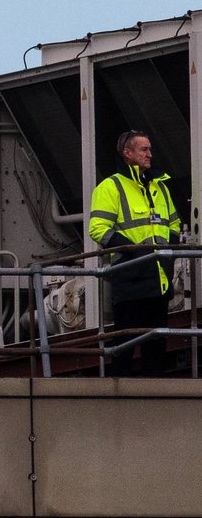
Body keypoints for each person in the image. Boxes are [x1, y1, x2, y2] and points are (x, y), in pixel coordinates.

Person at [89, 130, 181, 376]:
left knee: (156, 345)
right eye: (144, 149)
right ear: (127, 153)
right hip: (129, 279)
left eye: (150, 149)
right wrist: (136, 253)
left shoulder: (159, 186)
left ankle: (154, 396)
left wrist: (168, 253)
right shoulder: (111, 187)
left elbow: (174, 224)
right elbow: (98, 229)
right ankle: (118, 395)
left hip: (159, 279)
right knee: (125, 344)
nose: (150, 154)